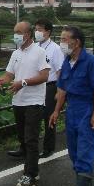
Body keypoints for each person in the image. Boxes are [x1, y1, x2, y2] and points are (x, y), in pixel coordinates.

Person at [49, 26, 94, 186]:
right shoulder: (67, 62)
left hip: (87, 109)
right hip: (72, 110)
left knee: (85, 152)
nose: (62, 42)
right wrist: (57, 111)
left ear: (77, 42)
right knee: (73, 152)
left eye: (65, 39)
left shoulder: (91, 62)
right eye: (61, 39)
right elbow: (62, 89)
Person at [0, 22, 50, 186]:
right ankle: (33, 169)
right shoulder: (16, 53)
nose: (15, 35)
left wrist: (23, 82)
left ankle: (30, 175)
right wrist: (2, 80)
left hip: (34, 101)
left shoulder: (40, 52)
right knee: (23, 139)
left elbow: (44, 76)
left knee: (31, 139)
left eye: (18, 32)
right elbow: (10, 74)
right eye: (14, 32)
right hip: (18, 101)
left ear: (27, 34)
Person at [34, 18, 65, 158]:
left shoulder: (55, 49)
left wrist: (60, 91)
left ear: (48, 32)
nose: (37, 32)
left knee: (49, 117)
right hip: (35, 86)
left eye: (40, 29)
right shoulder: (34, 46)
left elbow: (60, 72)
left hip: (50, 86)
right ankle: (28, 147)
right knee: (33, 117)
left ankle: (48, 147)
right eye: (36, 29)